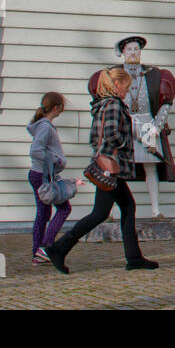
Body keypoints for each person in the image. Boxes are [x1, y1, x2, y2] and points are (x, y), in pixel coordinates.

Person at [44, 68, 158, 274]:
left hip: (108, 165)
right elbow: (112, 135)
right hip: (111, 167)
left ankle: (134, 257)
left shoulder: (101, 105)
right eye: (126, 87)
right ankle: (58, 249)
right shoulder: (114, 105)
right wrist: (128, 143)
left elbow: (94, 139)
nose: (128, 91)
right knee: (99, 214)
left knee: (128, 207)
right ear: (116, 85)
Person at [87, 35, 175, 219]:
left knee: (151, 166)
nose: (133, 53)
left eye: (136, 49)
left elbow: (166, 103)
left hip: (147, 123)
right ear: (122, 52)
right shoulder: (112, 75)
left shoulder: (154, 74)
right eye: (129, 49)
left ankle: (156, 210)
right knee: (115, 167)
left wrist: (157, 127)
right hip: (122, 122)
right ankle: (111, 211)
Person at [27, 92, 78, 265]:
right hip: (43, 175)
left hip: (39, 173)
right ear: (56, 107)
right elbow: (35, 150)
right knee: (64, 209)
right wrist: (55, 160)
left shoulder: (41, 125)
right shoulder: (45, 127)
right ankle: (46, 248)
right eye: (62, 107)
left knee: (43, 213)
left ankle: (37, 253)